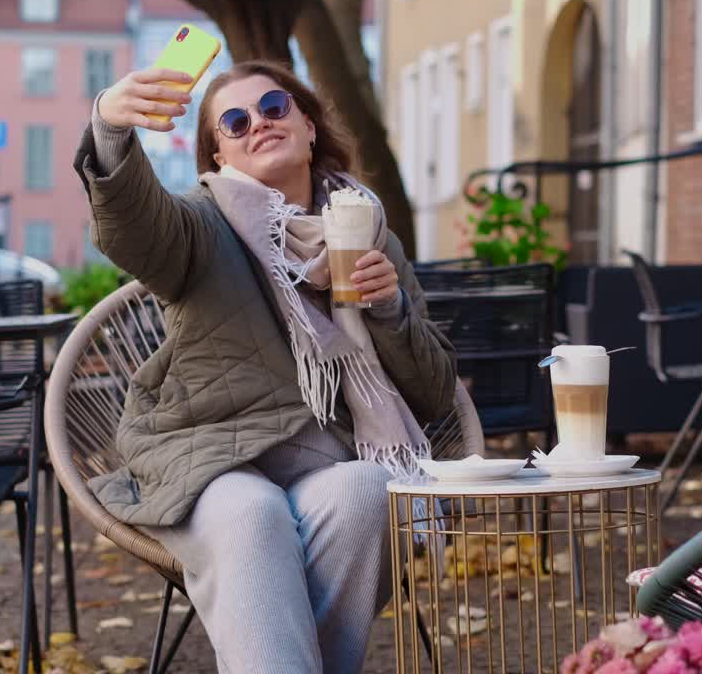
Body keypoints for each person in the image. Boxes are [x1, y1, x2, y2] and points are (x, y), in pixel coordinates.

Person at [73, 59, 467, 674]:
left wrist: (389, 309)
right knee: (253, 512)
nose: (259, 123)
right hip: (207, 454)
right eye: (235, 121)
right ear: (218, 159)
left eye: (275, 108)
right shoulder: (200, 224)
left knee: (369, 489)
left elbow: (436, 393)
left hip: (327, 456)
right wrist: (111, 128)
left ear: (309, 128)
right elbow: (136, 231)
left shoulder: (369, 232)